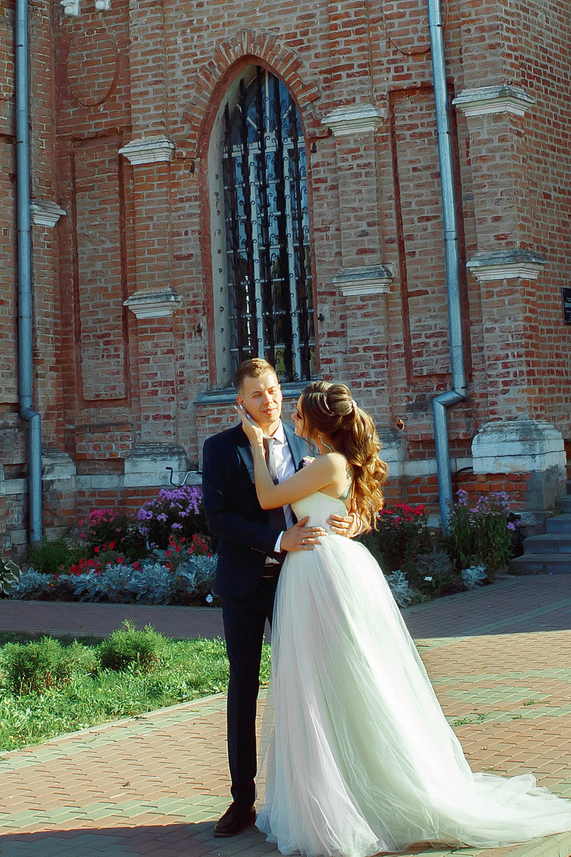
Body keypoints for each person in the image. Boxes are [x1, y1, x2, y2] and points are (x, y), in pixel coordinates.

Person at [239, 379, 571, 857]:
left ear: (317, 420)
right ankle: (338, 789)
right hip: (315, 569)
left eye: (298, 411)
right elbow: (343, 508)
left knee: (344, 680)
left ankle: (370, 791)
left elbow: (269, 498)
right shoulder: (328, 461)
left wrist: (255, 445)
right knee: (323, 683)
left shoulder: (331, 462)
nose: (292, 418)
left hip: (324, 573)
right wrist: (349, 517)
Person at [202, 357, 354, 839]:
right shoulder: (220, 449)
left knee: (307, 685)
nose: (268, 400)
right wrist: (276, 542)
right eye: (256, 394)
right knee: (243, 687)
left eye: (273, 390)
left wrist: (353, 521)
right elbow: (218, 519)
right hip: (245, 585)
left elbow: (344, 498)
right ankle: (241, 801)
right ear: (240, 403)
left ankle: (314, 794)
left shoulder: (306, 443)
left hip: (300, 583)